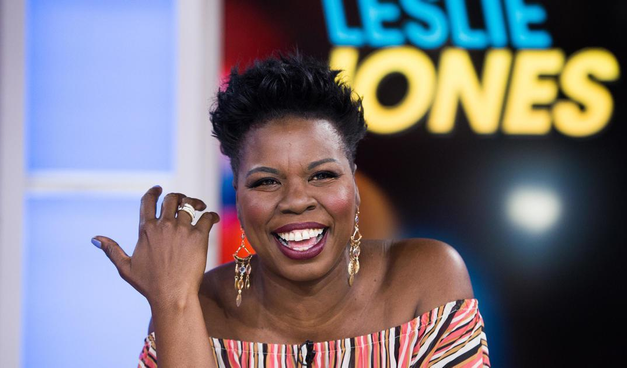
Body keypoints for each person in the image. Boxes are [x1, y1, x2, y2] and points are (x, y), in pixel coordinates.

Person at [93, 53, 490, 367]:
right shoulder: (191, 308)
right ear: (239, 196)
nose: (297, 200)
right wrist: (174, 299)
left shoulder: (426, 279)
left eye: (321, 176)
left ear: (353, 186)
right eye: (266, 181)